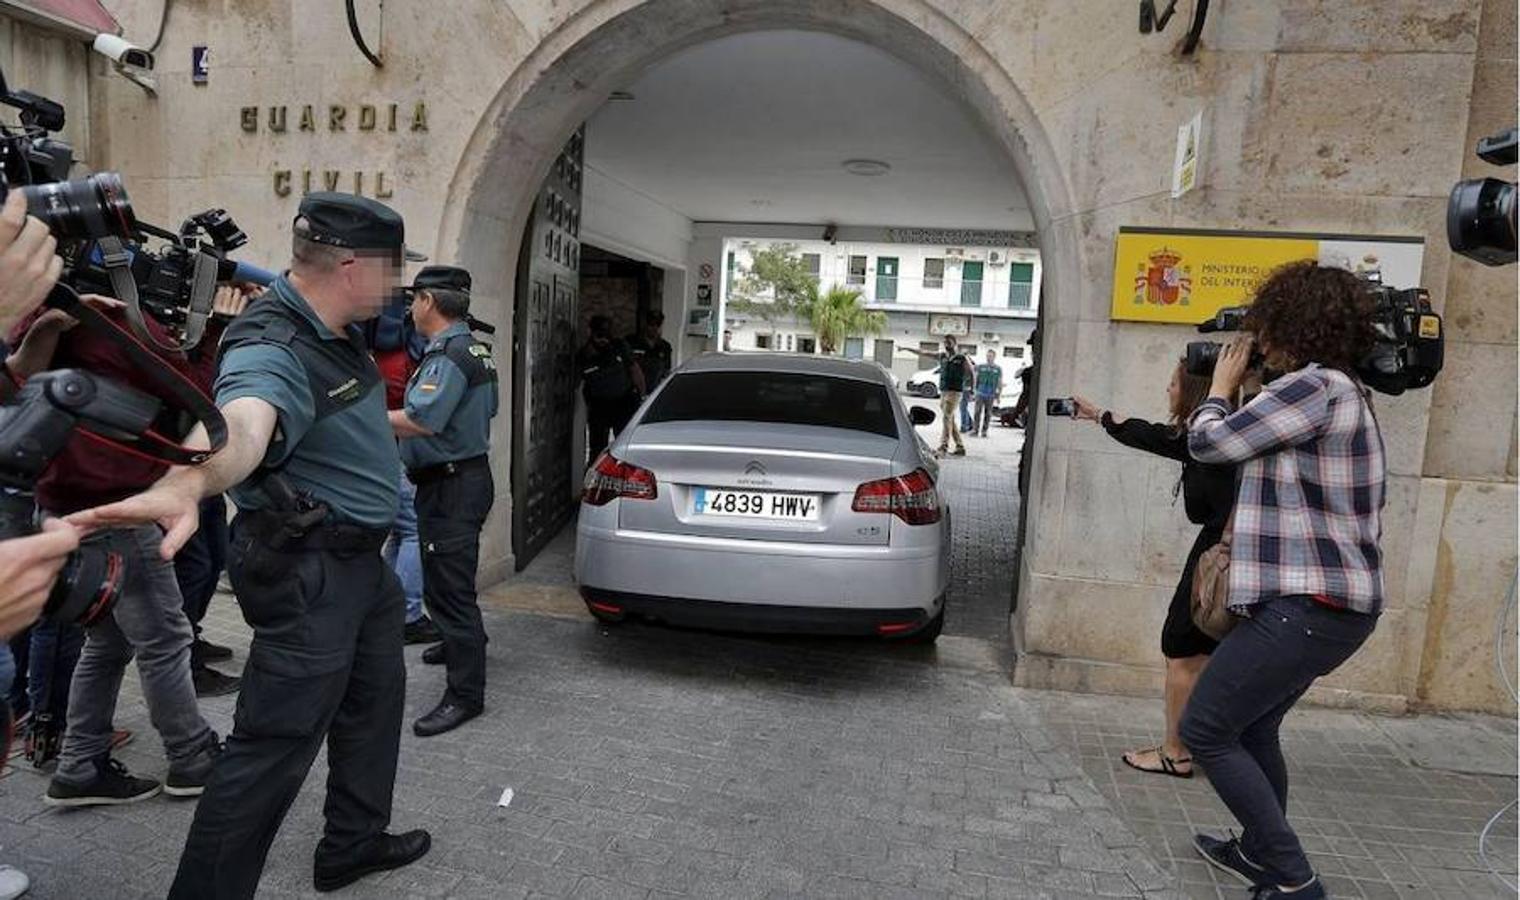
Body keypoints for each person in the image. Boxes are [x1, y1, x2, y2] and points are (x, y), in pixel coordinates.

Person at [71, 193, 433, 898]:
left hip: (360, 567)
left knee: (374, 706)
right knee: (272, 750)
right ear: (354, 268)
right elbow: (242, 422)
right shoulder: (274, 343)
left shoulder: (329, 321)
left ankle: (351, 845)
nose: (399, 289)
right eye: (393, 272)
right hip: (311, 572)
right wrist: (189, 480)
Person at [1180, 261, 1386, 900]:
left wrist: (1218, 387)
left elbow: (1210, 444)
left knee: (1206, 730)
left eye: (1265, 326)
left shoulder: (1312, 388)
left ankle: (1294, 878)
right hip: (1328, 607)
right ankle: (1257, 850)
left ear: (1292, 323)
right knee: (1254, 727)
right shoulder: (1336, 390)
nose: (1257, 340)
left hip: (1307, 606)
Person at [4, 294, 222, 809]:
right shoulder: (113, 318)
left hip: (67, 499)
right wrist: (213, 333)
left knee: (106, 644)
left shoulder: (52, 312)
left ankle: (81, 765)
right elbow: (196, 400)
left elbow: (16, 380)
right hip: (115, 504)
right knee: (165, 638)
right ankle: (193, 757)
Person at [1072, 360, 1235, 780]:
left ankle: (1176, 752)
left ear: (1196, 392)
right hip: (1224, 548)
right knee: (1197, 650)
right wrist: (1100, 416)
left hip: (1224, 552)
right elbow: (1155, 436)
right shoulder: (1210, 439)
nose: (1167, 389)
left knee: (1181, 647)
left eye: (1173, 383)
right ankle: (1192, 742)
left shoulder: (1217, 440)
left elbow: (1163, 437)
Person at [389, 266, 499, 737]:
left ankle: (465, 696)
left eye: (413, 299)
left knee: (452, 594)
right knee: (444, 582)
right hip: (460, 479)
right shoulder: (472, 347)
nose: (410, 308)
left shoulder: (449, 355)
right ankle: (459, 646)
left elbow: (423, 419)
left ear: (429, 302)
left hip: (452, 486)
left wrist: (357, 417)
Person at [175, 287, 257, 699]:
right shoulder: (166, 329)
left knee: (211, 561)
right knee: (194, 568)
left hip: (202, 461)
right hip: (177, 465)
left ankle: (192, 637)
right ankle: (183, 660)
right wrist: (217, 327)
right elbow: (197, 385)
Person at [375, 318, 440, 646]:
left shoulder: (377, 350)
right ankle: (407, 616)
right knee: (413, 529)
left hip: (380, 448)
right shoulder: (408, 358)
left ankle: (384, 607)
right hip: (395, 447)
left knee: (401, 531)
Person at [578, 315, 645, 463]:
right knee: (597, 450)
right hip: (599, 406)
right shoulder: (584, 355)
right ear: (590, 332)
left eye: (606, 335)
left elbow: (635, 370)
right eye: (599, 335)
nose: (603, 339)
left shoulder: (619, 346)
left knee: (625, 447)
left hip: (624, 402)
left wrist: (642, 397)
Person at [912, 335, 972, 456]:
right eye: (945, 343)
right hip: (944, 391)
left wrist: (971, 388)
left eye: (949, 342)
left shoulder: (961, 358)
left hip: (955, 391)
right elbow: (924, 352)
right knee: (950, 419)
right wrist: (906, 349)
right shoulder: (942, 356)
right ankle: (960, 447)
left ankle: (943, 447)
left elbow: (971, 372)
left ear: (955, 343)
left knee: (946, 417)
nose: (946, 345)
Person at [626, 310, 673, 391]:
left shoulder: (665, 346)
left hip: (653, 391)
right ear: (645, 324)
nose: (654, 328)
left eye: (658, 325)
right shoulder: (631, 342)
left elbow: (666, 371)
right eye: (651, 324)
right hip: (632, 391)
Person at [972, 350, 1002, 437]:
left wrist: (999, 395)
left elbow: (999, 382)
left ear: (994, 357)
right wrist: (974, 390)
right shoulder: (981, 367)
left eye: (991, 356)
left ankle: (984, 431)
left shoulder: (997, 369)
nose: (989, 358)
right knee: (977, 412)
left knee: (988, 413)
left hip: (991, 394)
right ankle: (975, 430)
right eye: (988, 356)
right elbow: (975, 378)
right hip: (980, 392)